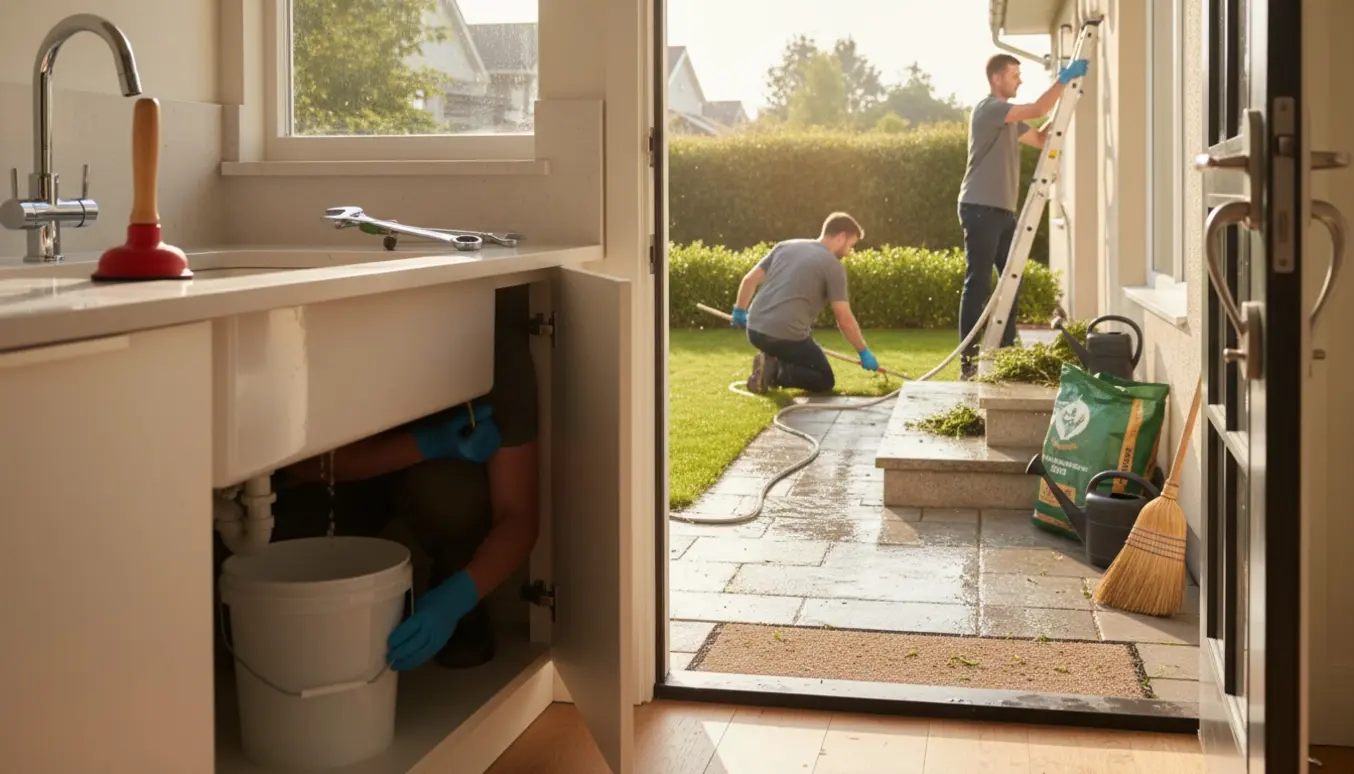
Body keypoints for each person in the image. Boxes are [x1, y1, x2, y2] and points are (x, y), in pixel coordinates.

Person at [212, 284, 540, 673]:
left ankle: (455, 583)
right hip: (343, 483)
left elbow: (519, 513)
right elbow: (294, 466)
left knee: (451, 492)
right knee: (258, 590)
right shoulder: (322, 328)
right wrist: (425, 443)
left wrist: (457, 597)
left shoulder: (493, 349)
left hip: (434, 485)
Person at [956, 53, 1090, 381]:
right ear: (997, 79)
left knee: (1011, 280)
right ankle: (968, 362)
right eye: (1014, 75)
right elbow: (1037, 108)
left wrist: (1066, 99)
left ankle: (1005, 352)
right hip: (980, 206)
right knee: (979, 282)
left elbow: (1041, 136)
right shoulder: (989, 109)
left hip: (1003, 211)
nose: (1019, 80)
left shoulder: (1010, 120)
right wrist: (1063, 80)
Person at [728, 212, 879, 395]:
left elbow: (749, 280)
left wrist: (740, 311)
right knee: (823, 378)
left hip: (754, 330)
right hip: (786, 336)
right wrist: (863, 351)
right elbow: (843, 318)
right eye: (851, 245)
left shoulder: (785, 246)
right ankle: (774, 370)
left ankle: (770, 362)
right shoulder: (833, 265)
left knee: (798, 352)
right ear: (841, 237)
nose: (849, 252)